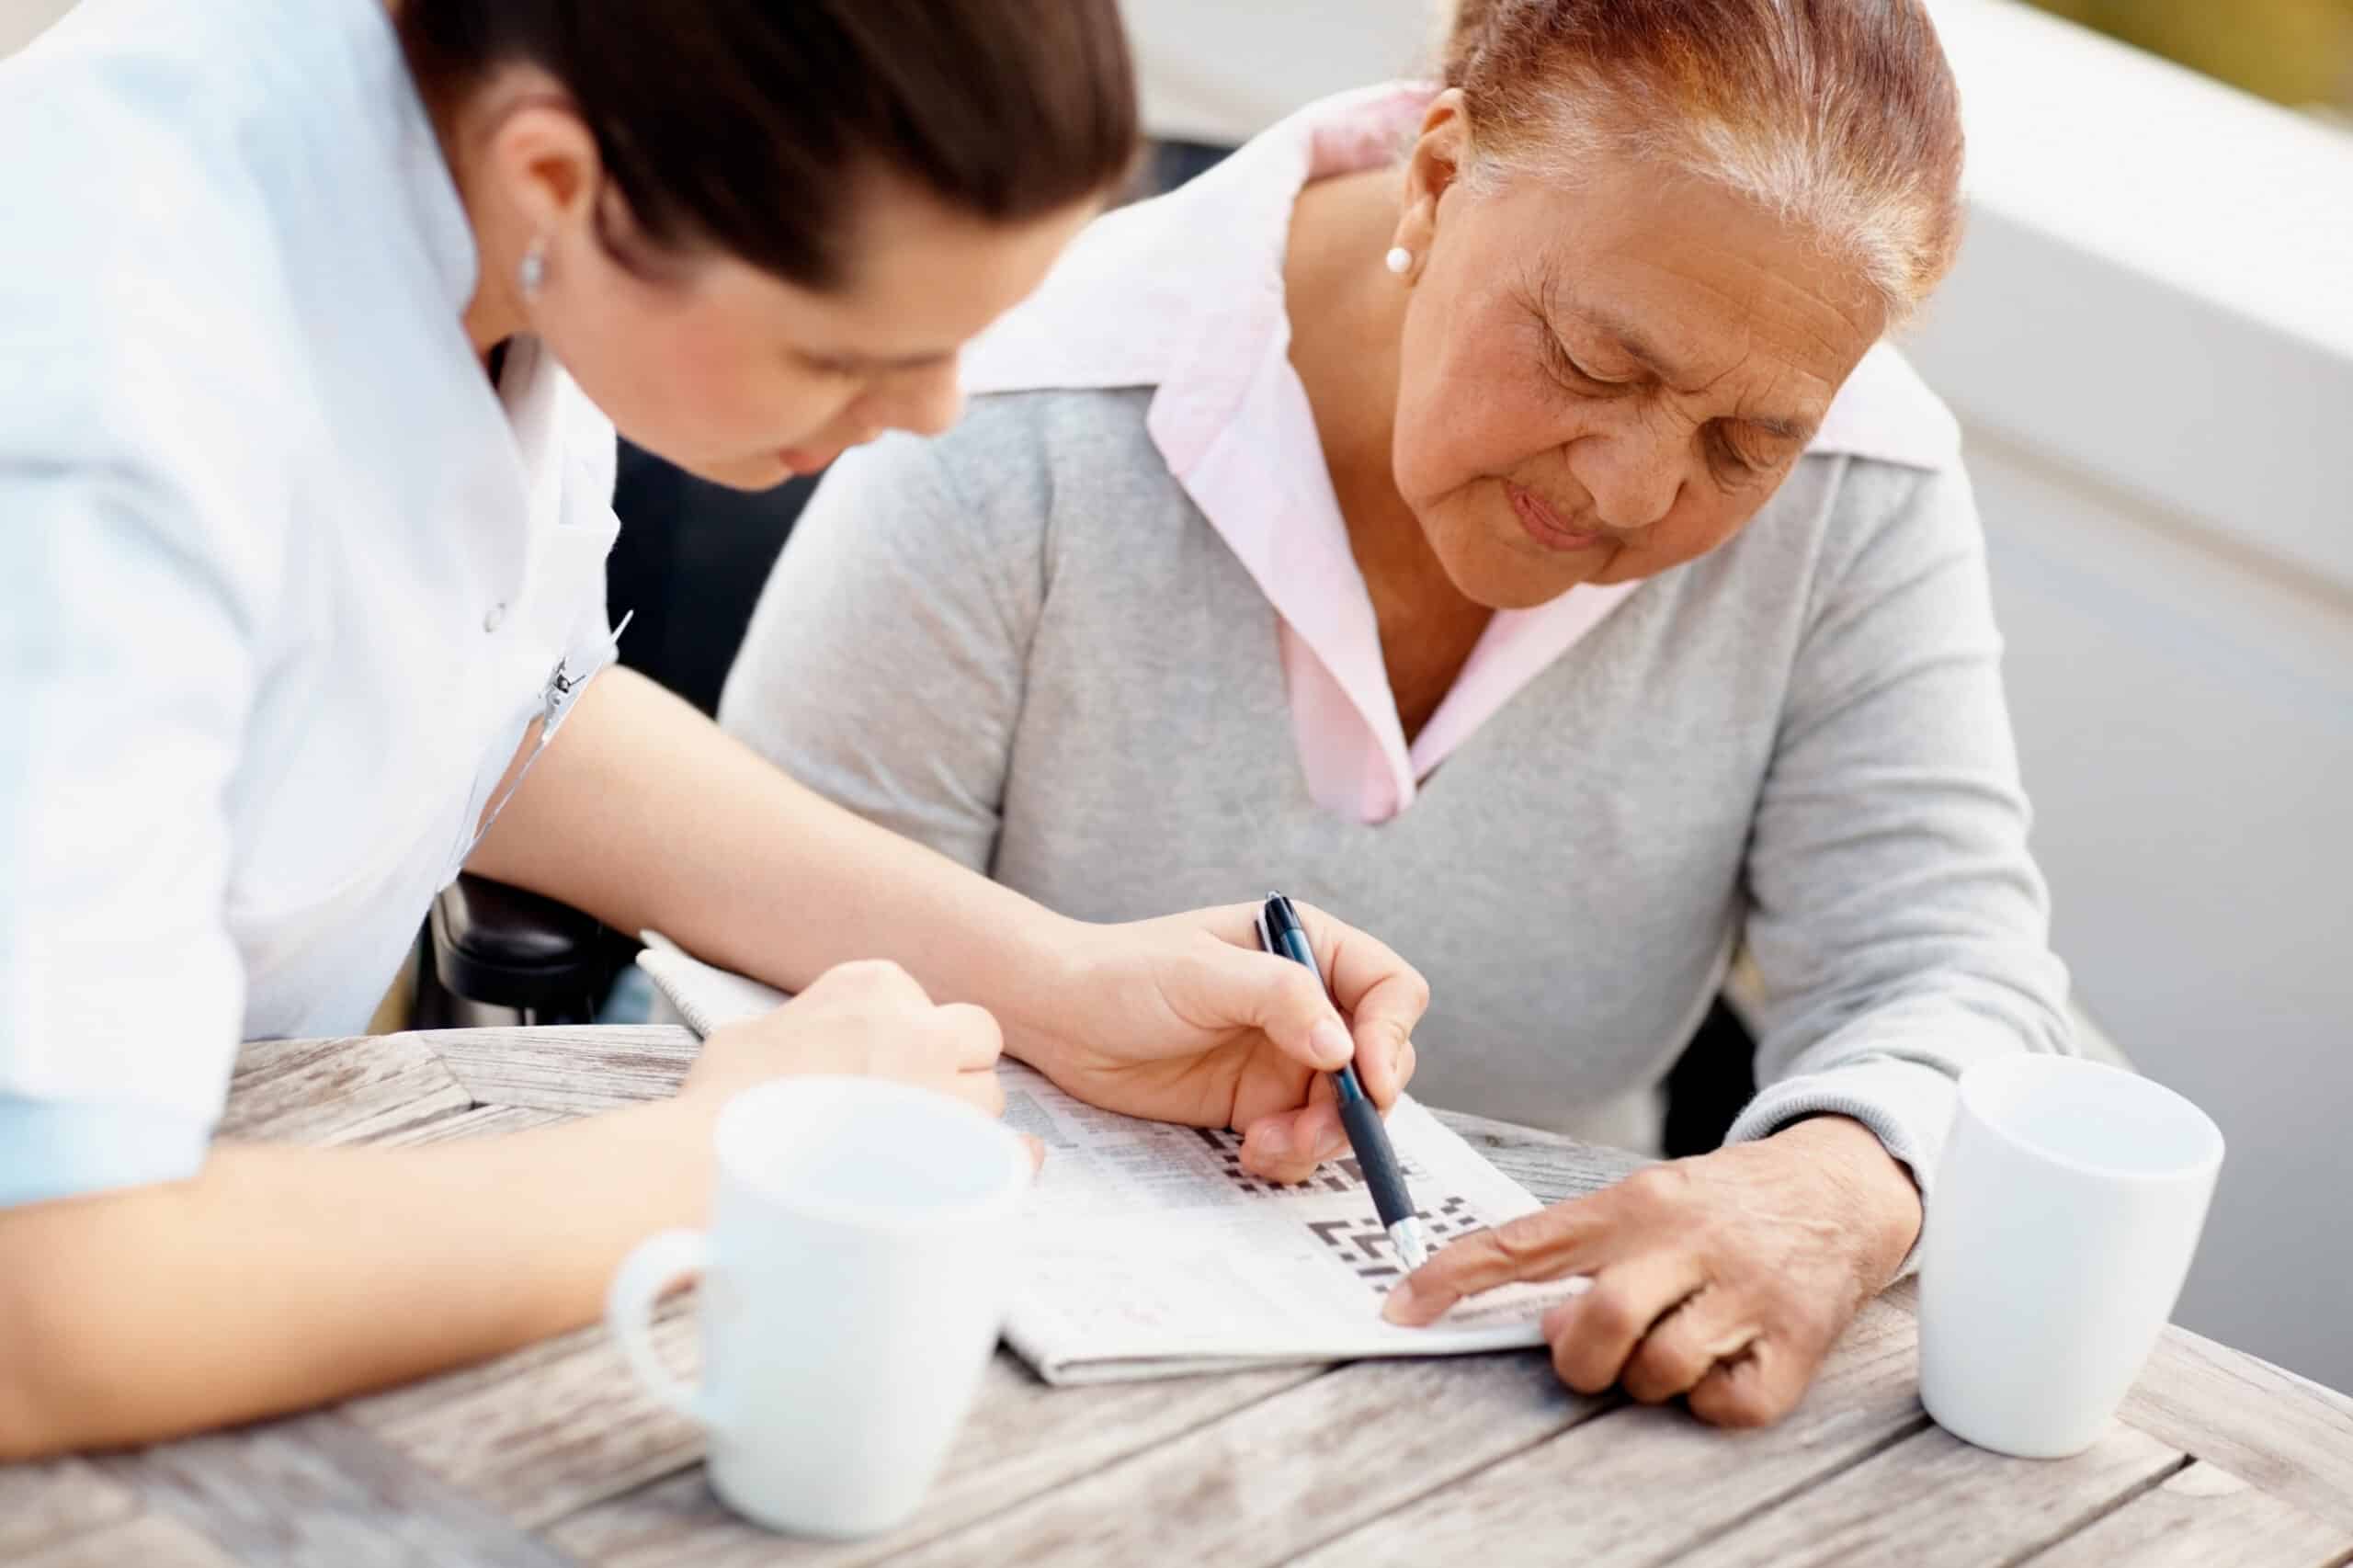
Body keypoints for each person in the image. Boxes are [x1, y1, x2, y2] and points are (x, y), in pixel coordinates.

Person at [0, 0, 1430, 1459]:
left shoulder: (514, 182)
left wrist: (1060, 986)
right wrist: (719, 1160)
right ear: (557, 181)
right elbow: (40, 1300)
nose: (933, 414)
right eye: (846, 353)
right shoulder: (100, 385)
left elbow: (504, 715)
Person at [719, 0, 2075, 1428]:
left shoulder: (1860, 493)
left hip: (1560, 1397)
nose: (1630, 489)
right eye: (1596, 364)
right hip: (965, 1355)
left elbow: (1958, 976)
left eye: (1746, 443)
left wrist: (1840, 1182)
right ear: (1436, 179)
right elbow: (757, 978)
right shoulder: (1019, 414)